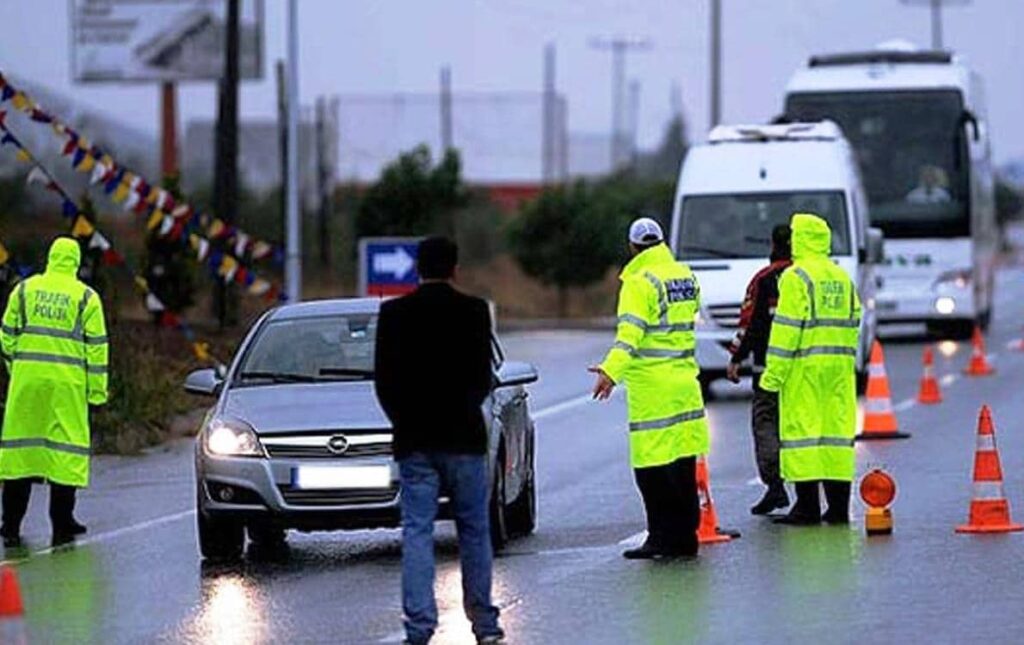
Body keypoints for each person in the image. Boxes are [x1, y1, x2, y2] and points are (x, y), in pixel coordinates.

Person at [374, 236, 504, 645]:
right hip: (464, 437)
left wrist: (406, 420)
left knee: (416, 531)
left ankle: (419, 627)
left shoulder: (394, 314)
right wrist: (463, 410)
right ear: (455, 269)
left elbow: (385, 381)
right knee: (474, 531)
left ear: (417, 268)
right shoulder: (474, 312)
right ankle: (484, 624)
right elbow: (483, 378)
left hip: (415, 441)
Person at [589, 217, 709, 559]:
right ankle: (686, 538)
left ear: (632, 247)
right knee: (683, 464)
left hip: (653, 389)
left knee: (651, 469)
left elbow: (630, 336)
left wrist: (610, 372)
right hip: (685, 382)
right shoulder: (685, 276)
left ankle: (661, 538)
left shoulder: (639, 282)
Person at [0, 237, 109, 548]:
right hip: (68, 387)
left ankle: (9, 526)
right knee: (65, 453)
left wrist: (18, 367)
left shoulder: (24, 290)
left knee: (21, 454)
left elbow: (6, 335)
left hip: (27, 384)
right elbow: (97, 351)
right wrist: (97, 395)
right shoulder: (86, 299)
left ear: (50, 258)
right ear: (75, 263)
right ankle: (62, 523)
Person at [760, 213, 861, 525]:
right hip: (840, 370)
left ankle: (807, 507)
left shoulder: (795, 277)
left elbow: (786, 332)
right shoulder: (840, 277)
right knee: (835, 436)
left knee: (803, 435)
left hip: (804, 370)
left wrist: (772, 377)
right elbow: (855, 319)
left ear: (801, 239)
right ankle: (839, 507)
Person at [726, 225, 793, 515]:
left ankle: (775, 487)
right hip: (805, 369)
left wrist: (735, 357)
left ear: (772, 244)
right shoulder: (808, 277)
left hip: (768, 368)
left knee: (766, 424)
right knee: (800, 427)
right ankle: (809, 492)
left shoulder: (763, 280)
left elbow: (749, 324)